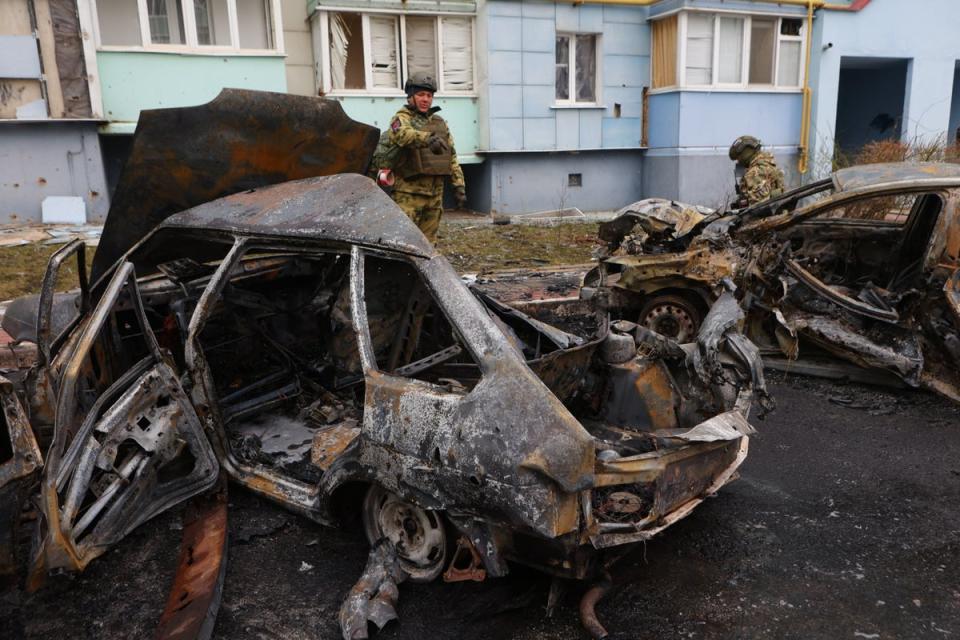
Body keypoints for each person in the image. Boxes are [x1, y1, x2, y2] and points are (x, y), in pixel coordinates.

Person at [381, 72, 466, 243]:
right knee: (403, 242)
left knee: (429, 244)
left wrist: (459, 185)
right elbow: (402, 135)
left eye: (429, 95)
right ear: (410, 96)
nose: (426, 99)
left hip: (435, 195)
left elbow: (452, 155)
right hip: (408, 194)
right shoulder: (401, 119)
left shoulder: (439, 122)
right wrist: (427, 138)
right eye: (420, 94)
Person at [729, 135, 785, 208]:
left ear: (746, 153)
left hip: (765, 217)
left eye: (738, 158)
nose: (738, 162)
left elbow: (758, 208)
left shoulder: (755, 173)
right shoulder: (767, 162)